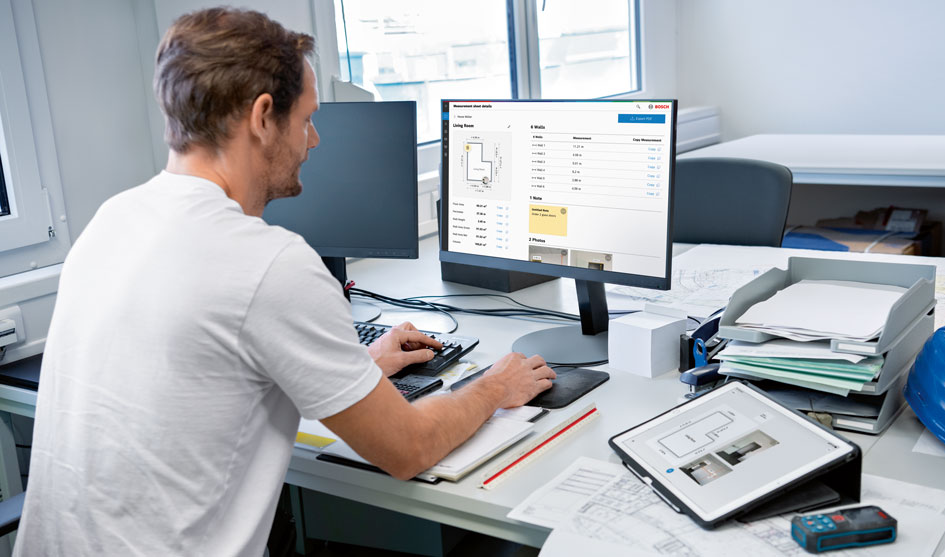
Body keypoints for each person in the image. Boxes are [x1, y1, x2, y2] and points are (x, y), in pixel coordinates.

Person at [14, 8, 555, 556]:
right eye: (307, 119)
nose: (314, 140)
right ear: (263, 116)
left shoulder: (115, 219)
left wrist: (360, 367)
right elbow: (407, 449)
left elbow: (205, 381)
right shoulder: (268, 263)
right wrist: (493, 387)